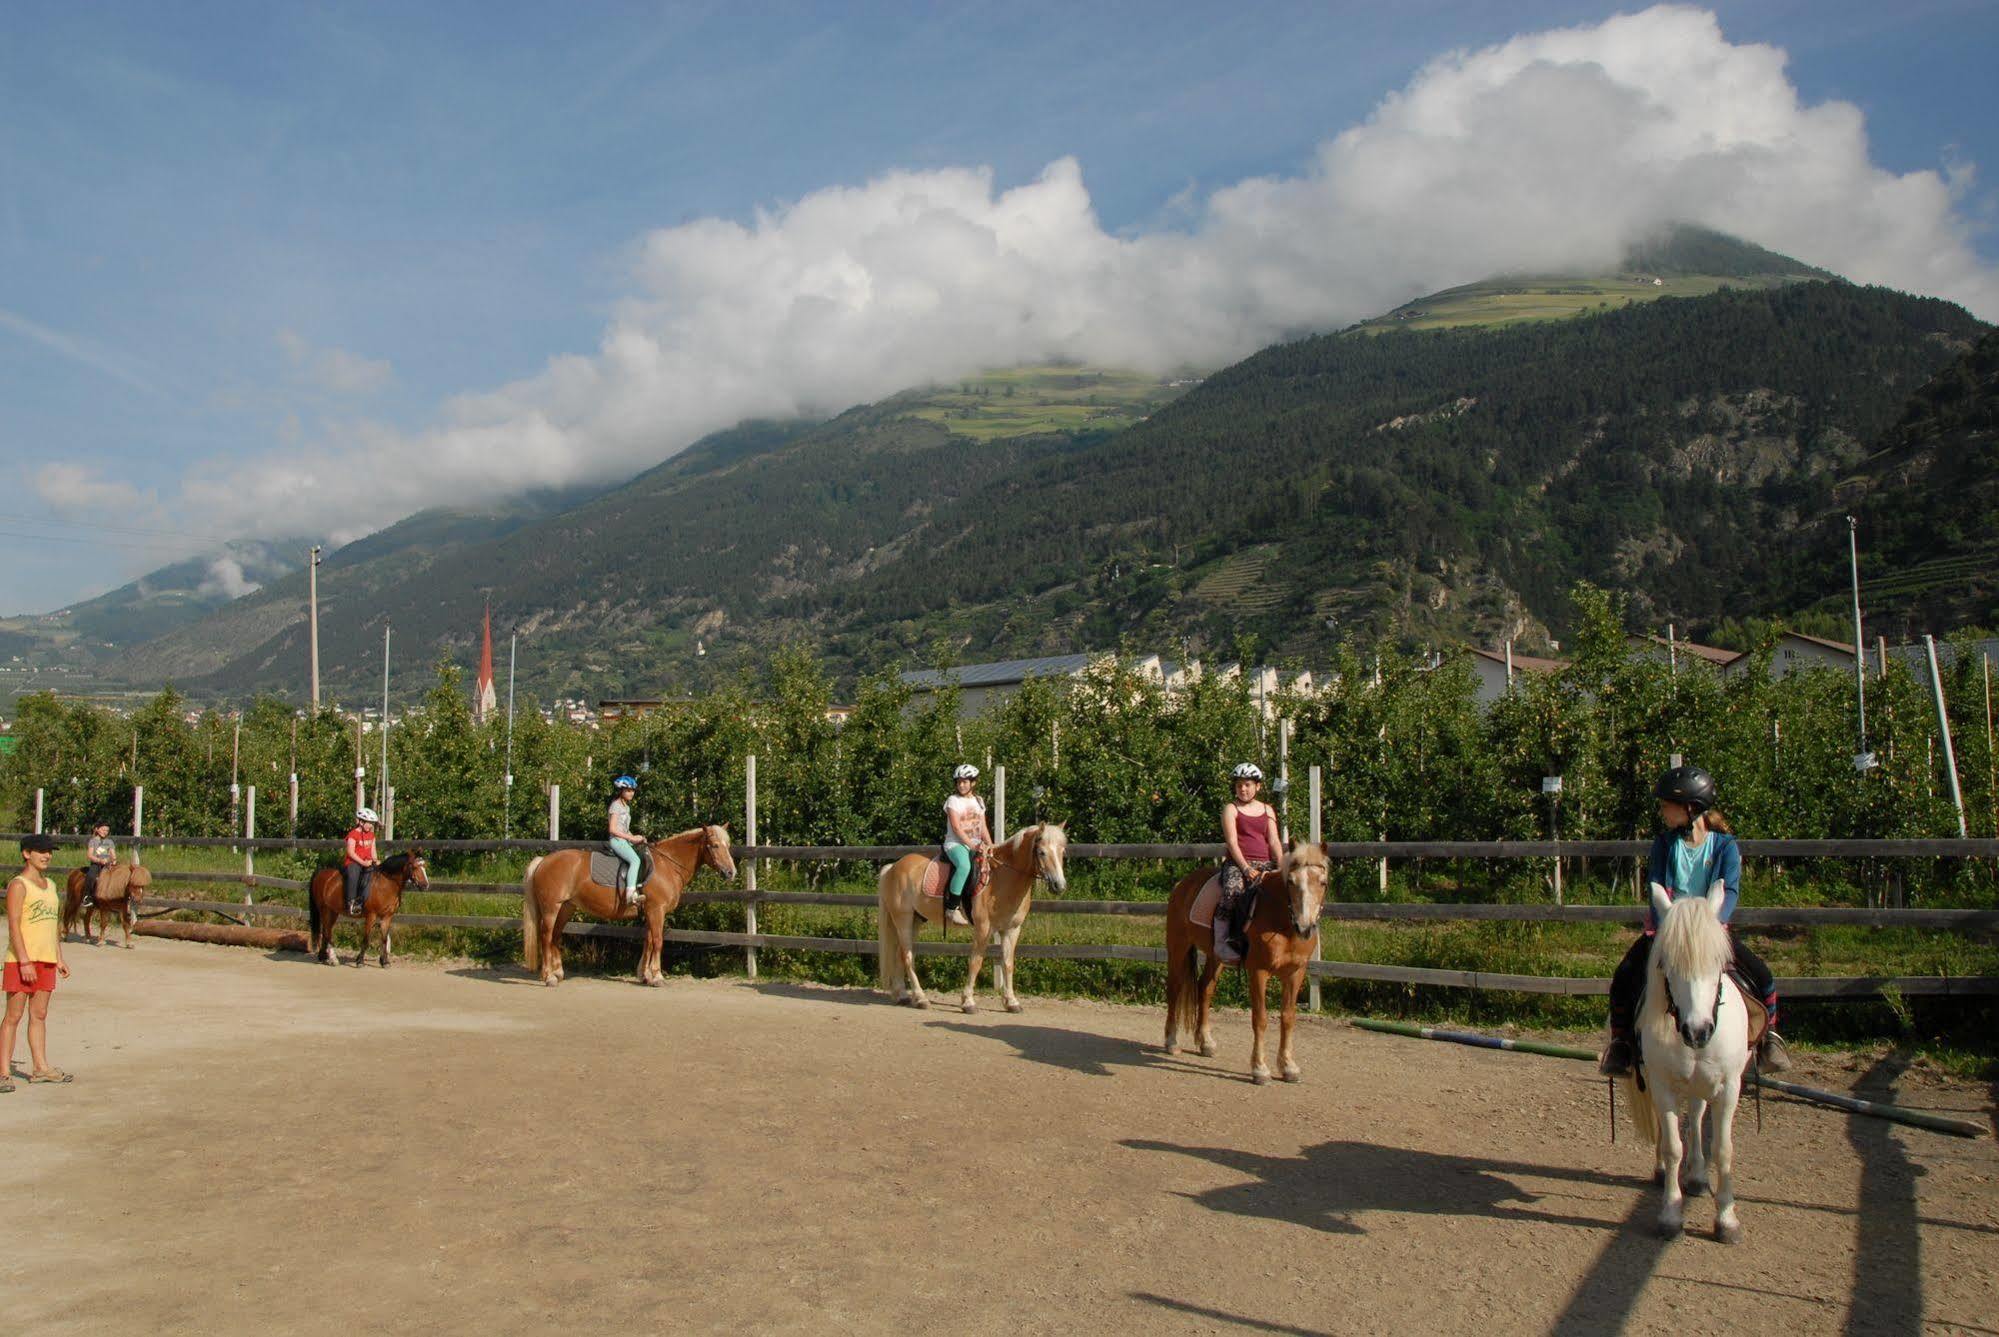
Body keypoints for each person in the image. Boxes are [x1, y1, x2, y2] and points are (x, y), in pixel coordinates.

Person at [1600, 765, 1792, 1077]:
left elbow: (1728, 891)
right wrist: (1670, 930)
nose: (1662, 811)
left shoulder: (1725, 847)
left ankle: (1769, 1037)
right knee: (1624, 977)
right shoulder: (1664, 845)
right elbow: (1656, 888)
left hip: (1709, 931)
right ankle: (1621, 1044)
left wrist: (1710, 928)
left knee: (1762, 974)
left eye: (1666, 806)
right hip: (1669, 930)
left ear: (1690, 808)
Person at [4, 833, 72, 1091]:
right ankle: (3, 1072)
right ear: (26, 854)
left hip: (45, 959)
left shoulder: (51, 885)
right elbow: (13, 924)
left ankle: (40, 1067)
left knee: (39, 1014)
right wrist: (23, 961)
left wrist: (58, 957)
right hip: (22, 960)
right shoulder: (19, 885)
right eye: (41, 851)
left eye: (49, 851)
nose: (46, 856)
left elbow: (52, 924)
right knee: (13, 1015)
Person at [1217, 762, 1281, 959]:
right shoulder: (1231, 808)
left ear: (1257, 786)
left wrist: (1282, 865)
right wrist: (1245, 868)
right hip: (1239, 864)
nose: (1243, 789)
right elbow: (1232, 842)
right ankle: (1224, 940)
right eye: (1239, 785)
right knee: (1232, 891)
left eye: (1247, 785)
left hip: (1265, 863)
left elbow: (1274, 840)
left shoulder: (1268, 810)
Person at [942, 764, 991, 927]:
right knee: (964, 866)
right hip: (955, 844)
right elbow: (956, 827)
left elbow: (982, 826)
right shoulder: (953, 801)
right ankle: (952, 907)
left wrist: (990, 845)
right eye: (959, 782)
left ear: (973, 783)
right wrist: (971, 845)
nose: (961, 785)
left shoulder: (979, 801)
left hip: (976, 844)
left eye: (965, 782)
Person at [607, 777, 646, 910]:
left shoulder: (626, 807)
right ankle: (630, 895)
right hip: (617, 841)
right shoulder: (616, 805)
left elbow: (625, 828)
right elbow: (612, 829)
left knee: (642, 855)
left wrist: (636, 837)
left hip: (624, 840)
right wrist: (630, 839)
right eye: (628, 790)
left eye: (633, 791)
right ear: (621, 791)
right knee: (635, 860)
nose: (631, 793)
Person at [343, 808, 380, 916]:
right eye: (369, 823)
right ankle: (351, 902)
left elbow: (373, 852)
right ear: (361, 822)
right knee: (354, 873)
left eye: (372, 823)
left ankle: (365, 901)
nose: (371, 826)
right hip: (354, 862)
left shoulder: (372, 835)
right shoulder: (353, 834)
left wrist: (375, 860)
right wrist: (363, 863)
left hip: (367, 862)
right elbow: (350, 852)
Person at [83, 821, 116, 906]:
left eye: (107, 830)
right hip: (96, 864)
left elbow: (113, 854)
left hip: (107, 864)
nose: (105, 832)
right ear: (97, 830)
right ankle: (87, 896)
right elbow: (90, 855)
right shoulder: (93, 841)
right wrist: (99, 860)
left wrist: (113, 860)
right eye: (103, 830)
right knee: (91, 875)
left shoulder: (109, 842)